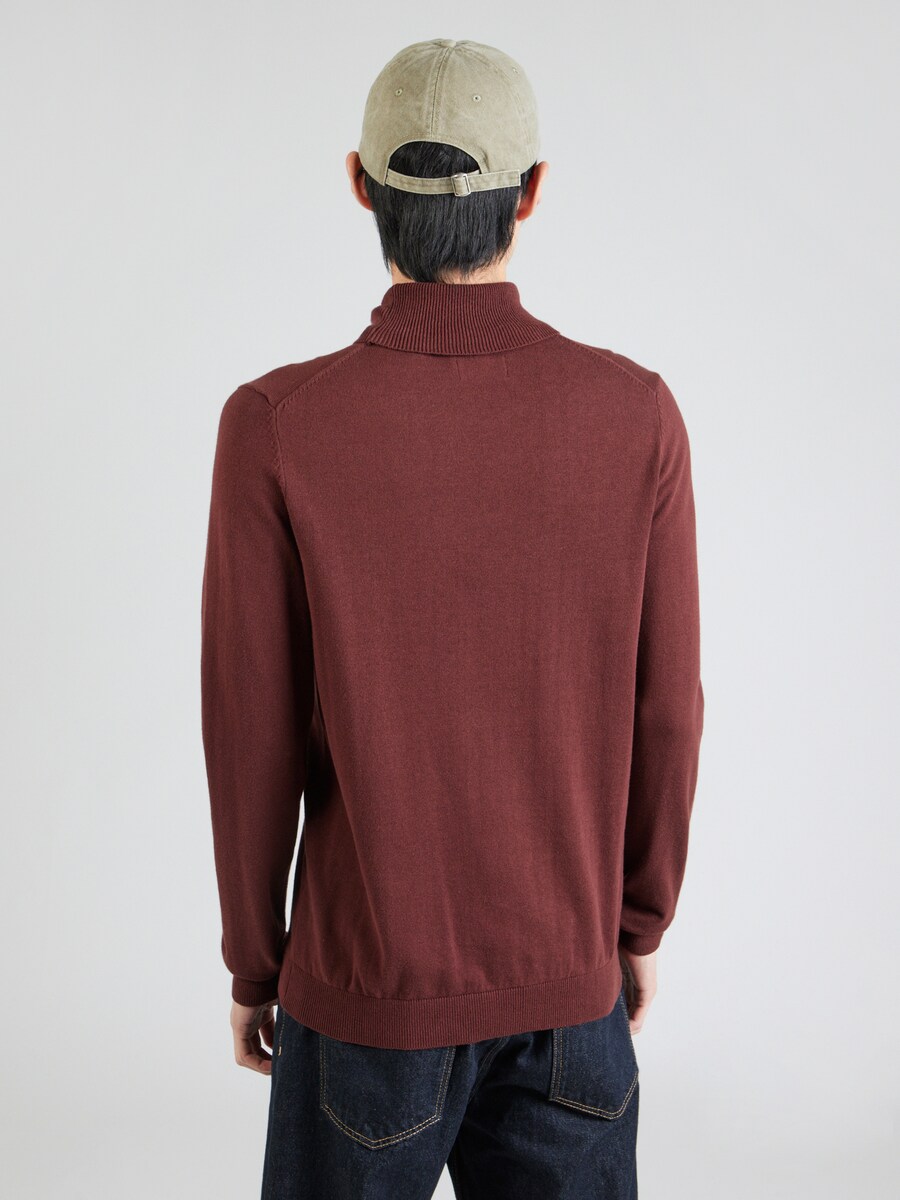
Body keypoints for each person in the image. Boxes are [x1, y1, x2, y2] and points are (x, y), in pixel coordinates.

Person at [200, 37, 704, 1200]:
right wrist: (636, 925)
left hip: (366, 993)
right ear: (532, 194)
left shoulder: (276, 425)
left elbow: (249, 729)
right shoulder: (635, 414)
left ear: (360, 184)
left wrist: (255, 961)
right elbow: (669, 712)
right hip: (569, 987)